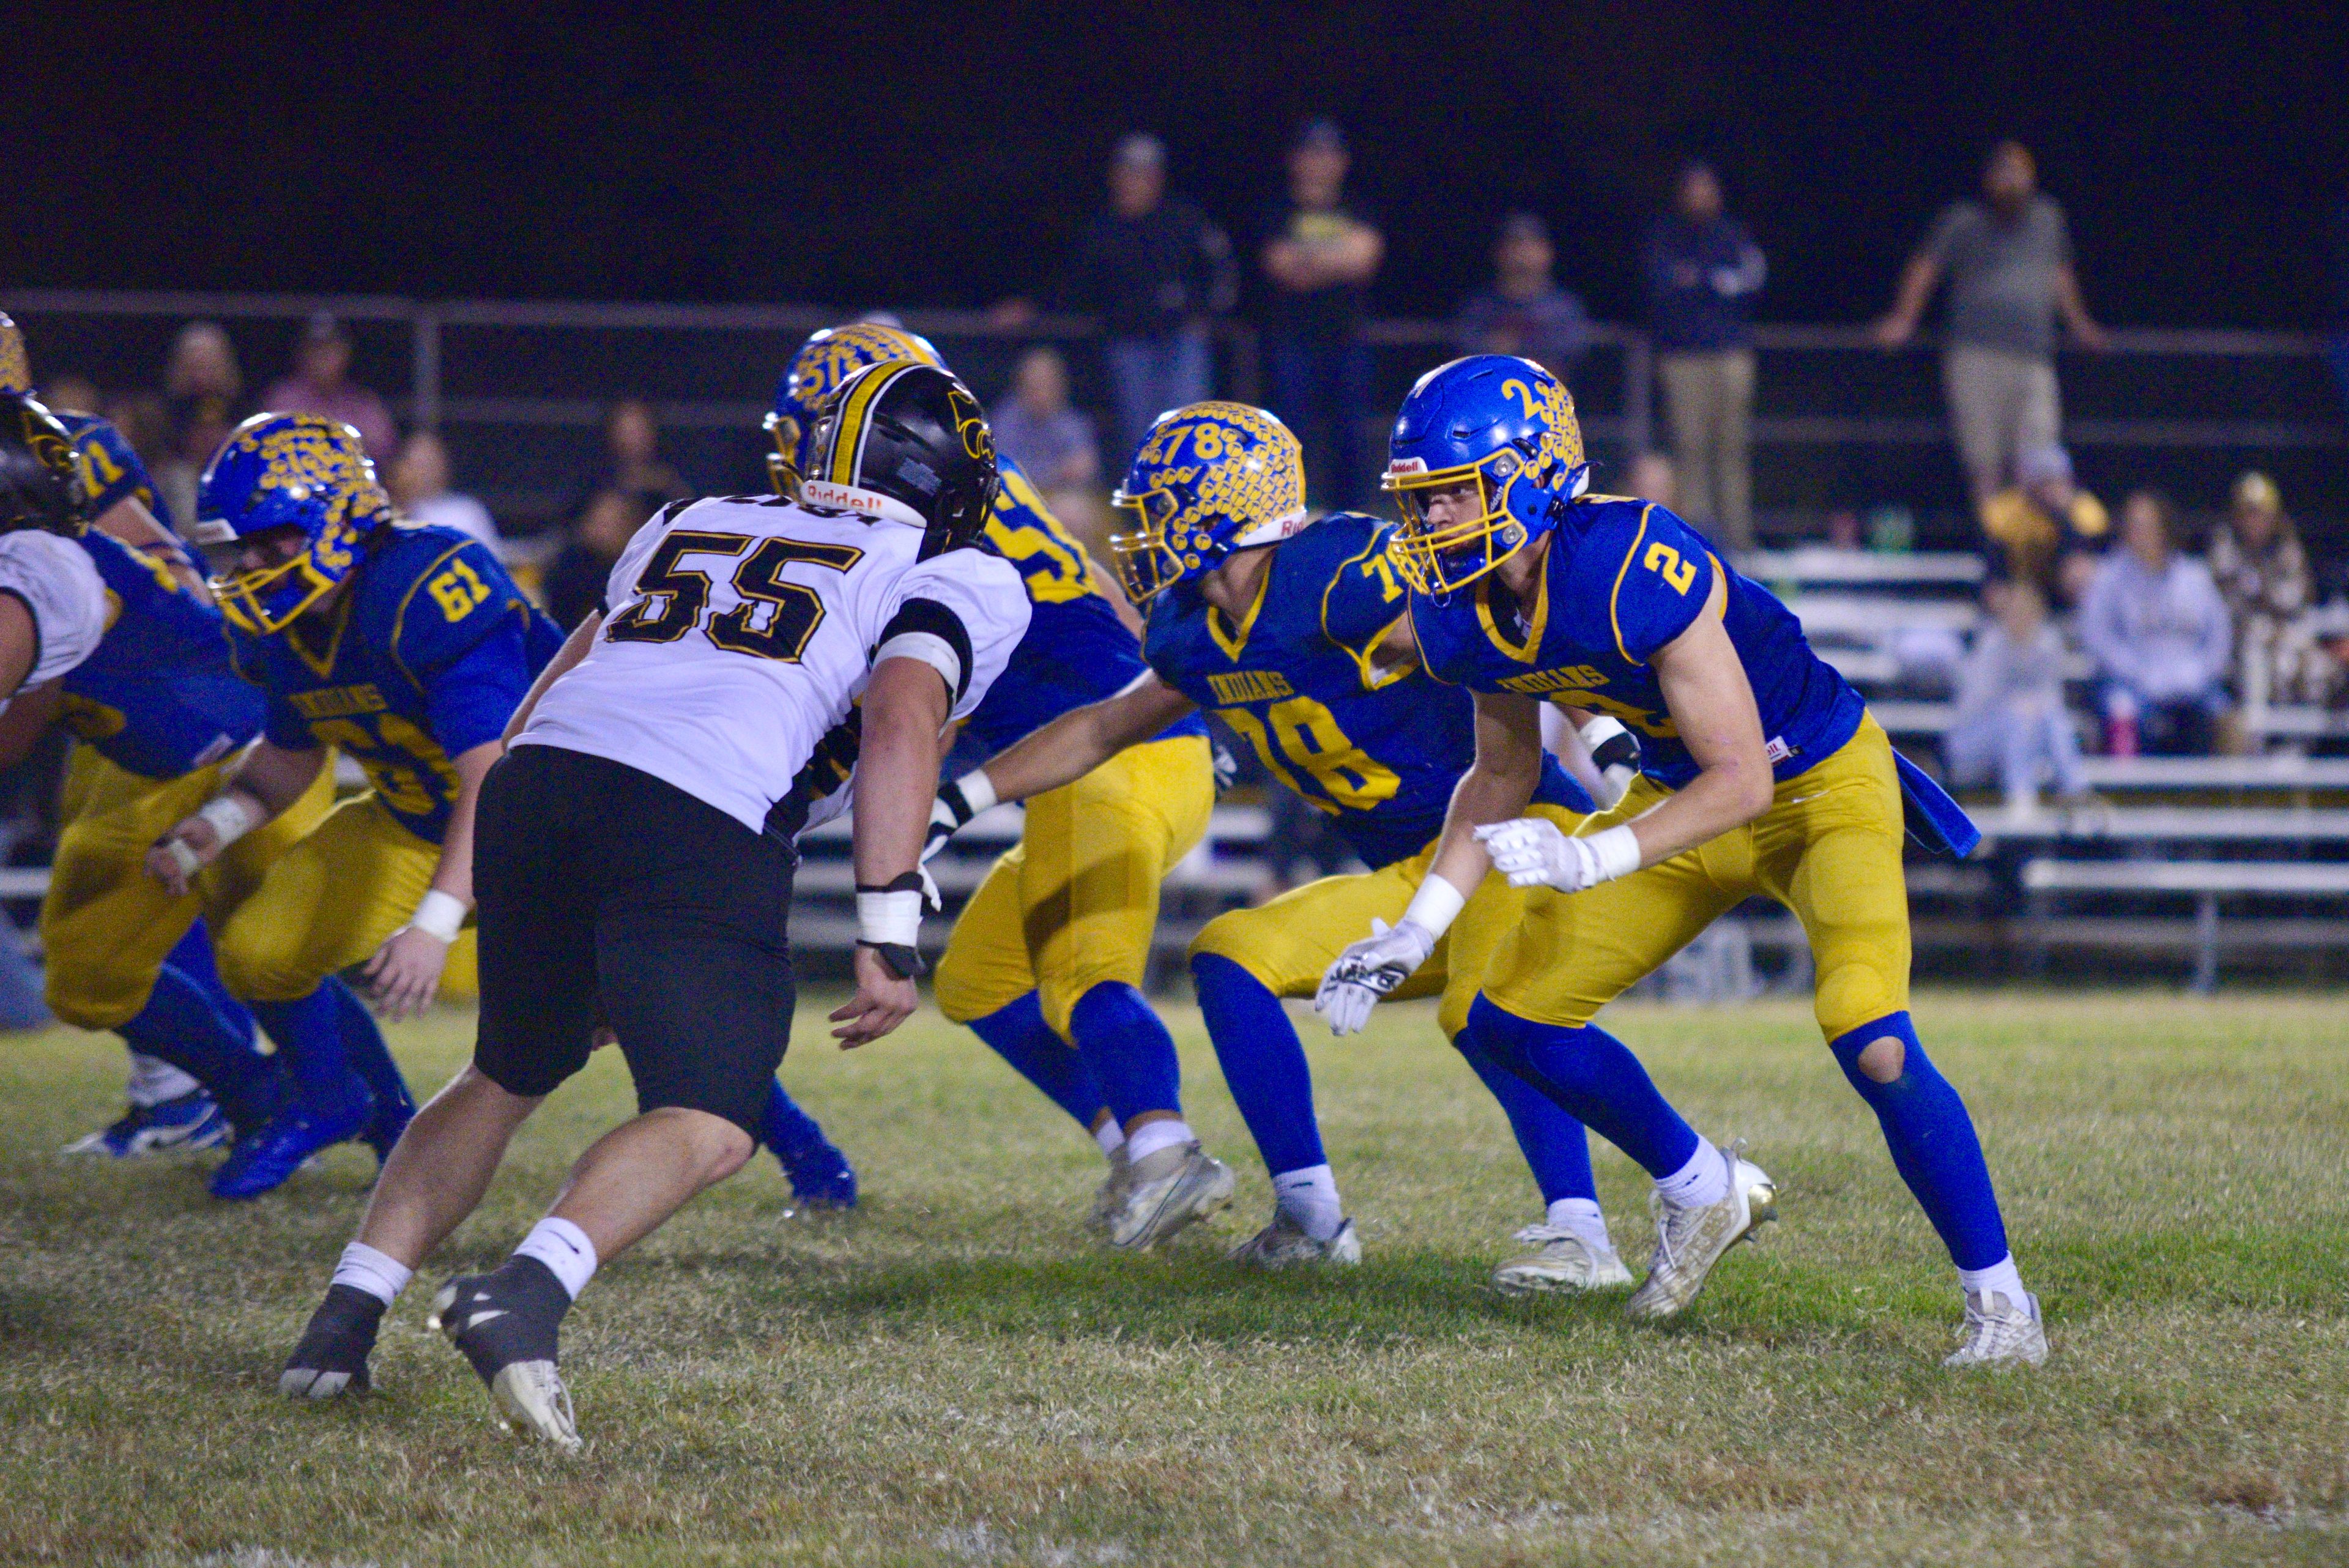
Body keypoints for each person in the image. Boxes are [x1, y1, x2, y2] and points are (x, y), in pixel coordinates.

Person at [278, 360, 1030, 1449]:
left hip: (541, 780)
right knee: (712, 1115)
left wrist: (506, 837)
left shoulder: (693, 513)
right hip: (693, 809)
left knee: (509, 1067)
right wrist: (886, 928)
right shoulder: (956, 566)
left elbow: (555, 684)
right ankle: (523, 1294)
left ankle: (340, 1323)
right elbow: (904, 720)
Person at [1319, 355, 2043, 1368]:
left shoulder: (1631, 555)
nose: (1430, 519)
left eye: (1450, 491)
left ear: (1530, 477)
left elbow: (1745, 776)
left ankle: (2002, 1302)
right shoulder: (1456, 609)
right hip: (1681, 793)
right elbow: (1499, 773)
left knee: (1869, 1035)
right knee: (1513, 1022)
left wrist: (1598, 852)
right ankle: (1703, 1189)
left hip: (1819, 782)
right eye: (1420, 496)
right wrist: (1419, 925)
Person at [932, 400, 1641, 1288]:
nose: (1142, 531)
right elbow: (1106, 727)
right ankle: (1311, 1217)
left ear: (1217, 505)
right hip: (1404, 865)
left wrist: (1601, 726)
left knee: (1490, 1014)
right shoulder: (1194, 627)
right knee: (1229, 957)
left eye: (1159, 508)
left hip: (1512, 830)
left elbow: (1498, 632)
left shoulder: (1339, 573)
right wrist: (960, 797)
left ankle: (1586, 1229)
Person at [775, 324, 1231, 1246]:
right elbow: (1095, 576)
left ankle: (1167, 1148)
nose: (803, 458)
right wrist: (1170, 689)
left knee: (1083, 975)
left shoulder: (904, 530)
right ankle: (1128, 1146)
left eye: (822, 433)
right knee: (983, 977)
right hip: (1140, 747)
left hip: (1099, 758)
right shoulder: (996, 486)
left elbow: (914, 714)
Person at [149, 414, 563, 1198]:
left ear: (337, 517)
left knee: (636, 1009)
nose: (250, 565)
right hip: (413, 823)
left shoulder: (424, 585)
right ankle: (336, 1101)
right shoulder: (288, 621)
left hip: (555, 835)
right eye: (240, 547)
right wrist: (215, 826)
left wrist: (434, 926)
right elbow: (292, 750)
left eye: (269, 541)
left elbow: (497, 777)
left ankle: (806, 1158)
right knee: (259, 950)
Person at [0, 314, 335, 1157]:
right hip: (123, 700)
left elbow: (68, 602)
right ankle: (216, 1093)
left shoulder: (52, 474)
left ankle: (284, 1098)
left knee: (199, 926)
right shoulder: (62, 446)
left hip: (170, 703)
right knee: (105, 936)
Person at [1873, 141, 2109, 507]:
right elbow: (1924, 270)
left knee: (2042, 461)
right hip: (1975, 355)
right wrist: (1904, 320)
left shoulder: (2048, 217)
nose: (2012, 181)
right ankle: (1996, 551)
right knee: (1985, 464)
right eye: (2003, 172)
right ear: (1988, 179)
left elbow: (2061, 276)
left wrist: (2081, 326)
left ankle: (2038, 554)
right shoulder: (1963, 220)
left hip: (2033, 356)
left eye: (2019, 171)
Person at [1030, 133, 1234, 464]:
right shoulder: (1103, 228)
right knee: (1141, 437)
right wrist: (1031, 308)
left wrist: (1206, 316)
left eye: (1144, 172)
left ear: (1158, 177)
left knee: (1191, 432)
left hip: (1181, 342)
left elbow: (1221, 272)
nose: (1135, 181)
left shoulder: (1185, 219)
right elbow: (1074, 286)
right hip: (1128, 344)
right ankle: (1145, 512)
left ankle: (1196, 511)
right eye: (1128, 171)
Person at [1260, 119, 1384, 510]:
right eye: (1312, 153)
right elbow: (1281, 268)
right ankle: (1291, 517)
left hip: (1347, 338)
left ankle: (1351, 520)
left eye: (1329, 153)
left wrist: (1309, 260)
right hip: (1291, 339)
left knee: (1351, 436)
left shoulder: (1358, 207)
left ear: (1342, 162)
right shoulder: (1278, 209)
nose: (1320, 162)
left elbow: (1365, 260)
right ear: (1295, 160)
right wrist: (1337, 258)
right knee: (1290, 434)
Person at [1644, 162, 1767, 551]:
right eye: (1693, 187)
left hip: (1731, 354)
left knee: (1732, 449)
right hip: (1682, 357)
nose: (1700, 195)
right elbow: (1662, 286)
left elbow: (1752, 280)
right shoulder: (1666, 234)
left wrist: (1701, 281)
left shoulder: (1733, 232)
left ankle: (1740, 543)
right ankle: (1697, 544)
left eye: (1706, 187)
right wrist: (1710, 282)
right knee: (1689, 451)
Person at [2077, 490, 2233, 757]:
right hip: (2130, 680)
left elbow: (2220, 636)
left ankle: (2224, 795)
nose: (2138, 533)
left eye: (2146, 525)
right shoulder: (2109, 577)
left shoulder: (2194, 577)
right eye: (2133, 525)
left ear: (2164, 527)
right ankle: (2127, 792)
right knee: (2121, 711)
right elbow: (2097, 638)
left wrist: (2198, 673)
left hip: (2191, 681)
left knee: (2224, 713)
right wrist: (2138, 672)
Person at [1943, 581, 2089, 811]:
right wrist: (2018, 705)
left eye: (2026, 613)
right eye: (2014, 613)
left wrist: (2031, 707)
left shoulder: (2048, 643)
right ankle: (2020, 795)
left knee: (2051, 715)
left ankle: (2075, 789)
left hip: (2025, 735)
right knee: (2018, 716)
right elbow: (1975, 707)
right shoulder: (1990, 645)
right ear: (2004, 614)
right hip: (1973, 743)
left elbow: (2053, 700)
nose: (2020, 619)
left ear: (2038, 615)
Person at [2208, 471, 2333, 707]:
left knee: (2317, 670)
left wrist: (2264, 590)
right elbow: (2227, 605)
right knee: (2261, 654)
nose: (2255, 522)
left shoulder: (2288, 549)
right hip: (2236, 647)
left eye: (2262, 514)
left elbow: (2294, 600)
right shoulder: (2225, 548)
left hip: (2285, 640)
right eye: (2249, 514)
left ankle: (2299, 740)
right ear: (2237, 516)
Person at [1455, 212, 1589, 388]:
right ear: (1499, 253)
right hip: (1488, 401)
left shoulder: (1564, 307)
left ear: (1547, 253)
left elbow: (1570, 353)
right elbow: (1466, 354)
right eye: (1515, 245)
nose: (1522, 254)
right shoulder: (1480, 306)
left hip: (1550, 402)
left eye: (1531, 245)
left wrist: (1512, 348)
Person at [1976, 442, 2109, 603]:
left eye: (2057, 481)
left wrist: (2063, 517)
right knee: (1998, 595)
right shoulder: (2005, 510)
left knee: (2082, 573)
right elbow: (1995, 570)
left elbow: (2094, 557)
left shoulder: (2084, 510)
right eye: (2044, 482)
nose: (2051, 490)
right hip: (2020, 589)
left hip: (2063, 591)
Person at [990, 346, 1102, 530]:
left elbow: (1086, 469)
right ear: (1021, 385)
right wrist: (1058, 472)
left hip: (1060, 497)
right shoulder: (1004, 422)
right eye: (1036, 386)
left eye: (1049, 385)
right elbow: (1005, 475)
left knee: (1075, 512)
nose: (1042, 393)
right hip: (1016, 501)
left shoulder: (1071, 421)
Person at [262, 314, 398, 462]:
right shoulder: (282, 400)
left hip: (353, 480)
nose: (323, 358)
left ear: (346, 352)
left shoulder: (363, 404)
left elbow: (386, 454)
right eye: (316, 350)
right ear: (302, 353)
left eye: (331, 350)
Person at [159, 321, 248, 529]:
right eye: (195, 361)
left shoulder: (242, 404)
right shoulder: (168, 407)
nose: (202, 369)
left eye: (209, 361)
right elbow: (164, 453)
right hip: (183, 480)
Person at [539, 488, 649, 633]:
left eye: (615, 523)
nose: (604, 531)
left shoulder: (647, 569)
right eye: (601, 522)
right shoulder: (569, 568)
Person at [387, 431, 500, 549]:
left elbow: (487, 562)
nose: (422, 473)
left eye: (427, 464)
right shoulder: (387, 513)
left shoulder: (466, 512)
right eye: (414, 464)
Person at [595, 398, 691, 515]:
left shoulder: (671, 478)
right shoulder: (595, 478)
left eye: (639, 431)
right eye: (627, 431)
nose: (634, 440)